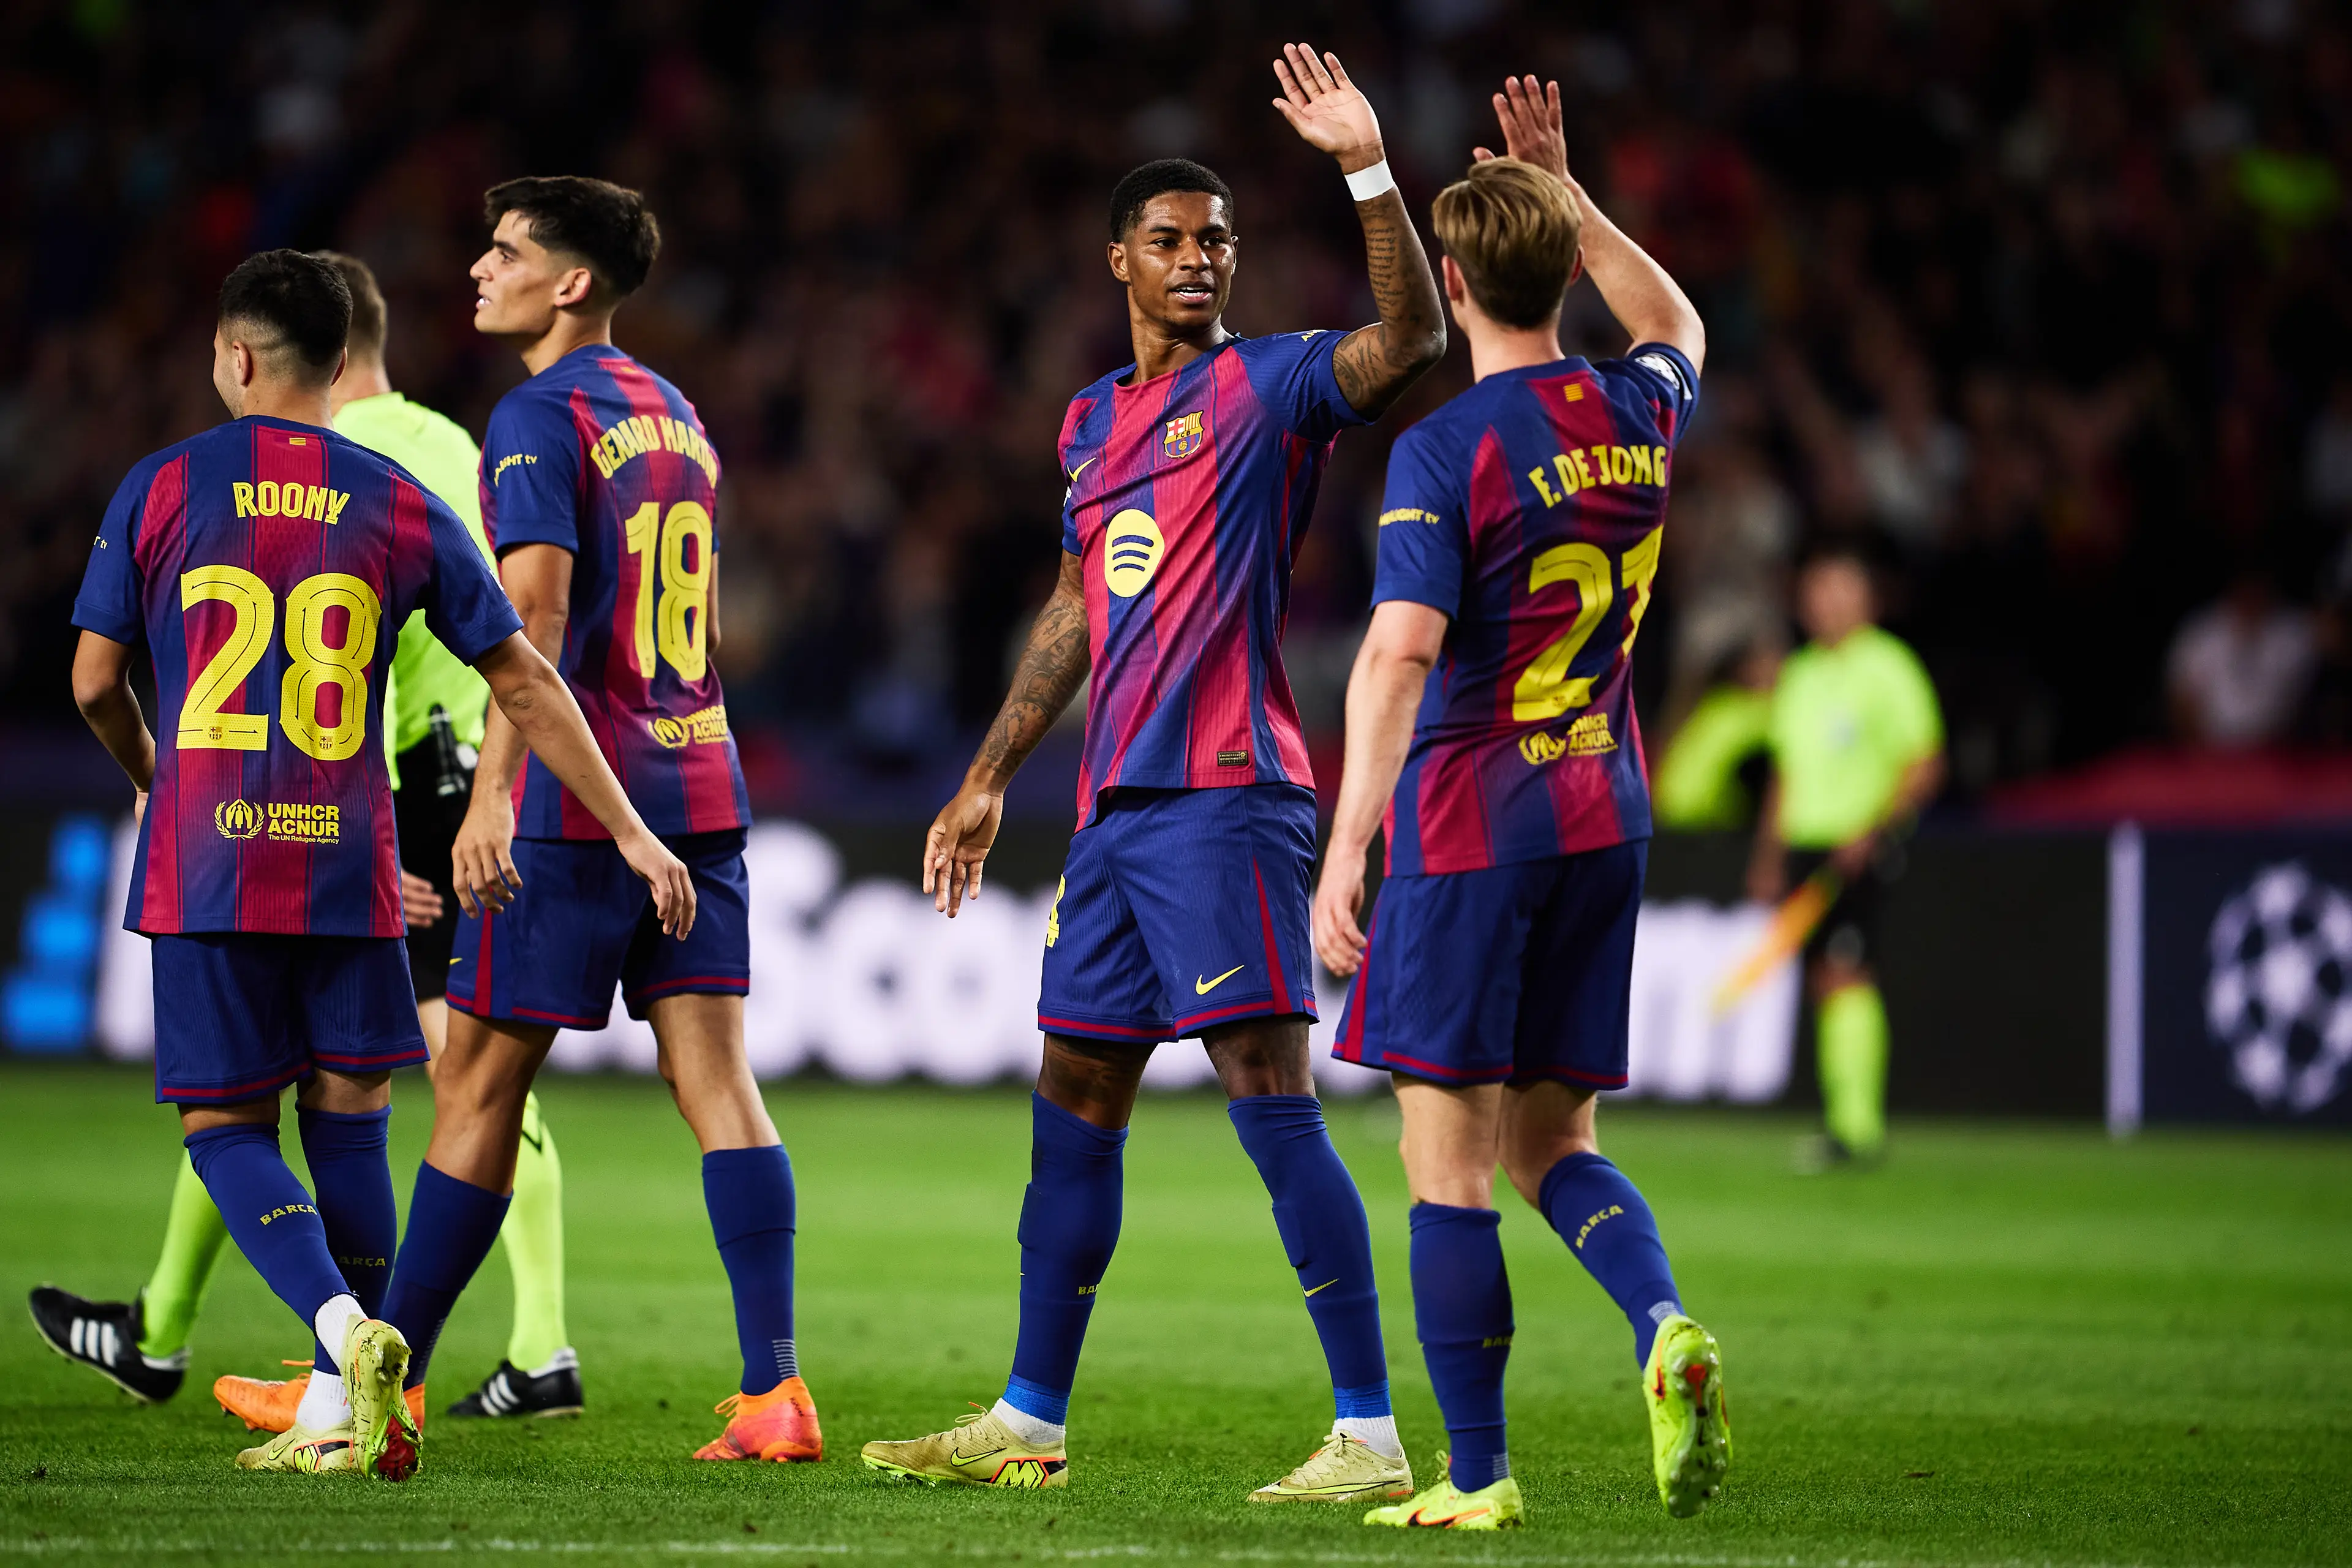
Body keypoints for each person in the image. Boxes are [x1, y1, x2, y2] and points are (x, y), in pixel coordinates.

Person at [862, 43, 1446, 1501]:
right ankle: (1028, 1410)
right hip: (1112, 813)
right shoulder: (1085, 423)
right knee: (1073, 1080)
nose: (1200, 260)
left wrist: (1366, 168)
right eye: (1172, 241)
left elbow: (1410, 344)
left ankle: (1370, 1430)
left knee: (1262, 1076)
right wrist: (991, 767)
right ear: (1117, 255)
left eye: (1218, 242)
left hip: (1230, 792)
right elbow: (1076, 606)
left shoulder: (1266, 386)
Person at [59, 249, 692, 1476]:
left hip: (213, 856)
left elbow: (92, 680)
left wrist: (153, 772)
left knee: (226, 1125)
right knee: (352, 1120)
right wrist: (626, 825)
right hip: (353, 860)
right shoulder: (397, 496)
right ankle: (340, 1400)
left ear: (238, 358)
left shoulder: (160, 485)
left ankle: (343, 1332)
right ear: (346, 360)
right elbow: (525, 673)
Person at [1313, 78, 1729, 1530]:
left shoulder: (1446, 448)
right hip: (1603, 815)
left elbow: (1396, 655)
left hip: (1473, 825)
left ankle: (1476, 1473)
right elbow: (1675, 322)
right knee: (1558, 1139)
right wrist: (1575, 192)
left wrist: (1345, 842)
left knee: (1448, 1162)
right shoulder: (1632, 408)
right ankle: (1660, 1318)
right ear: (1561, 265)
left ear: (1449, 280)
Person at [371, 176, 809, 1473]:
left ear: (569, 282)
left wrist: (497, 790)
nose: (478, 269)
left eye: (505, 251)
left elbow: (538, 624)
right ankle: (775, 1390)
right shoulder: (675, 414)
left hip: (579, 807)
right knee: (719, 1083)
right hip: (703, 787)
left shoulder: (534, 415)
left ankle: (379, 1386)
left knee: (475, 1082)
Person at [1747, 540, 1945, 1169]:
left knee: (1848, 972)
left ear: (1867, 600)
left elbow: (1924, 763)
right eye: (1817, 592)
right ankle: (1845, 1121)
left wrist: (1876, 827)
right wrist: (1769, 854)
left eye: (1840, 590)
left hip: (1858, 848)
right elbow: (1786, 772)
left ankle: (1857, 1131)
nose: (1827, 604)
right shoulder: (1802, 674)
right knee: (1826, 982)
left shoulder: (1890, 668)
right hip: (1806, 846)